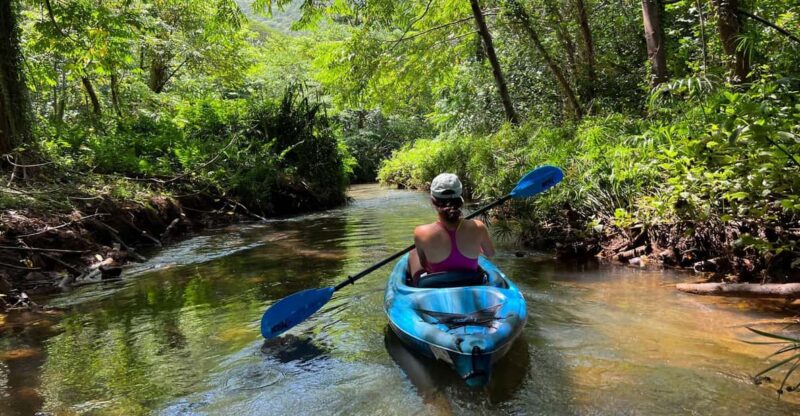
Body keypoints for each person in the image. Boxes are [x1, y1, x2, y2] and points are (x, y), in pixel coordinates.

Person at [408, 173, 495, 284]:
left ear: (432, 201)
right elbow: (490, 254)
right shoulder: (478, 227)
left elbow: (425, 265)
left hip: (436, 287)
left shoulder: (420, 232)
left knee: (413, 253)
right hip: (471, 283)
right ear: (460, 199)